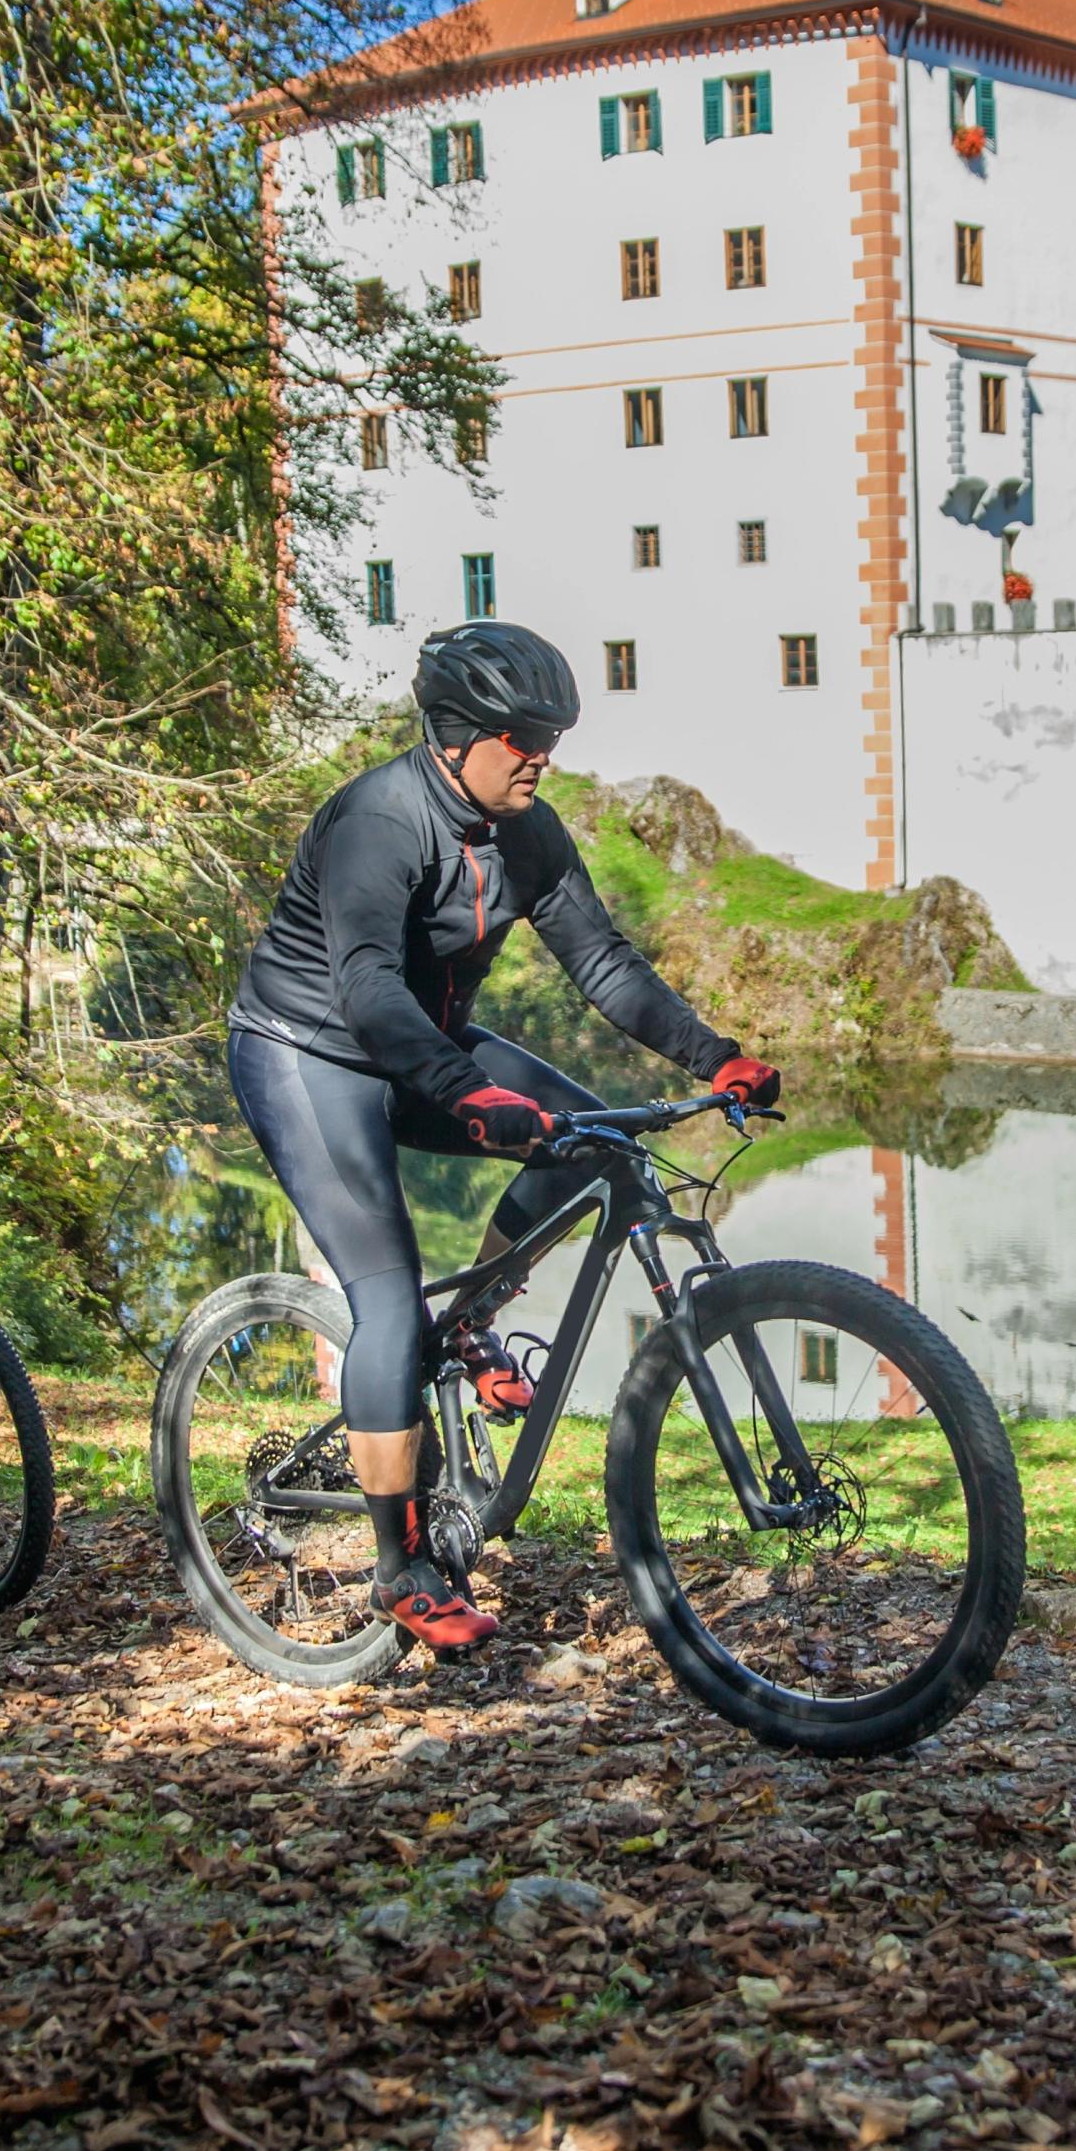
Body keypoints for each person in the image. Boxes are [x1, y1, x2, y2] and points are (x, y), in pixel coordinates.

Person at [227, 622, 780, 1652]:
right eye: (523, 734)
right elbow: (365, 990)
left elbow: (606, 965)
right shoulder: (377, 824)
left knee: (591, 1145)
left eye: (554, 735)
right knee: (386, 1298)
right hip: (310, 1053)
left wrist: (715, 1056)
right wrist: (466, 1092)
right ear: (455, 736)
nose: (543, 754)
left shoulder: (529, 832)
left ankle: (472, 1317)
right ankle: (404, 1569)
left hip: (422, 1043)